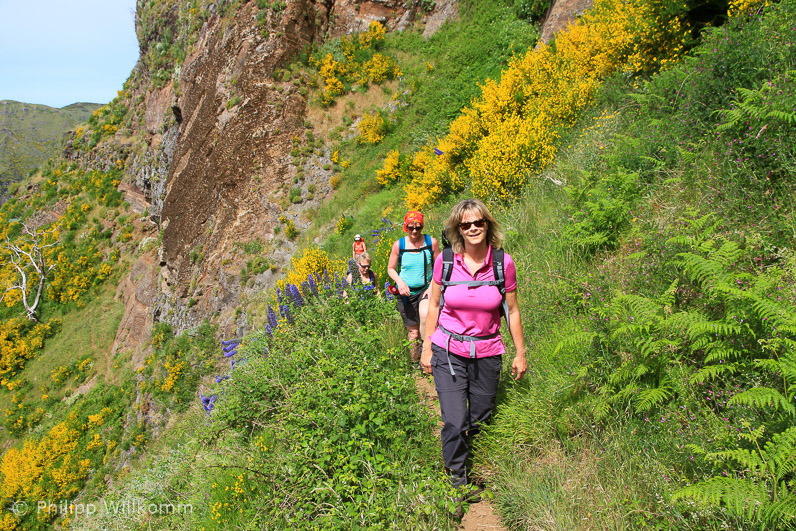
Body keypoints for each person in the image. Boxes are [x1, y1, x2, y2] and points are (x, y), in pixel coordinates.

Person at [420, 199, 527, 490]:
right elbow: (434, 306)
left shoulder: (503, 263)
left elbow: (512, 310)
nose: (473, 228)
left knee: (481, 418)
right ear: (458, 229)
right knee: (455, 420)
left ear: (488, 224)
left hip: (487, 352)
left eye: (478, 222)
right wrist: (427, 348)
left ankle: (477, 466)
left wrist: (520, 352)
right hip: (449, 351)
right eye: (465, 224)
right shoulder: (446, 260)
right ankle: (456, 480)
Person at [388, 211, 441, 362]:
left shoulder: (431, 242)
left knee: (426, 318)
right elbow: (390, 268)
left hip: (426, 289)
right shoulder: (400, 245)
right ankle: (414, 362)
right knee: (413, 333)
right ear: (406, 227)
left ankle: (428, 356)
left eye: (418, 227)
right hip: (406, 294)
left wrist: (432, 287)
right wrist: (400, 282)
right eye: (411, 227)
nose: (415, 231)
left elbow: (440, 266)